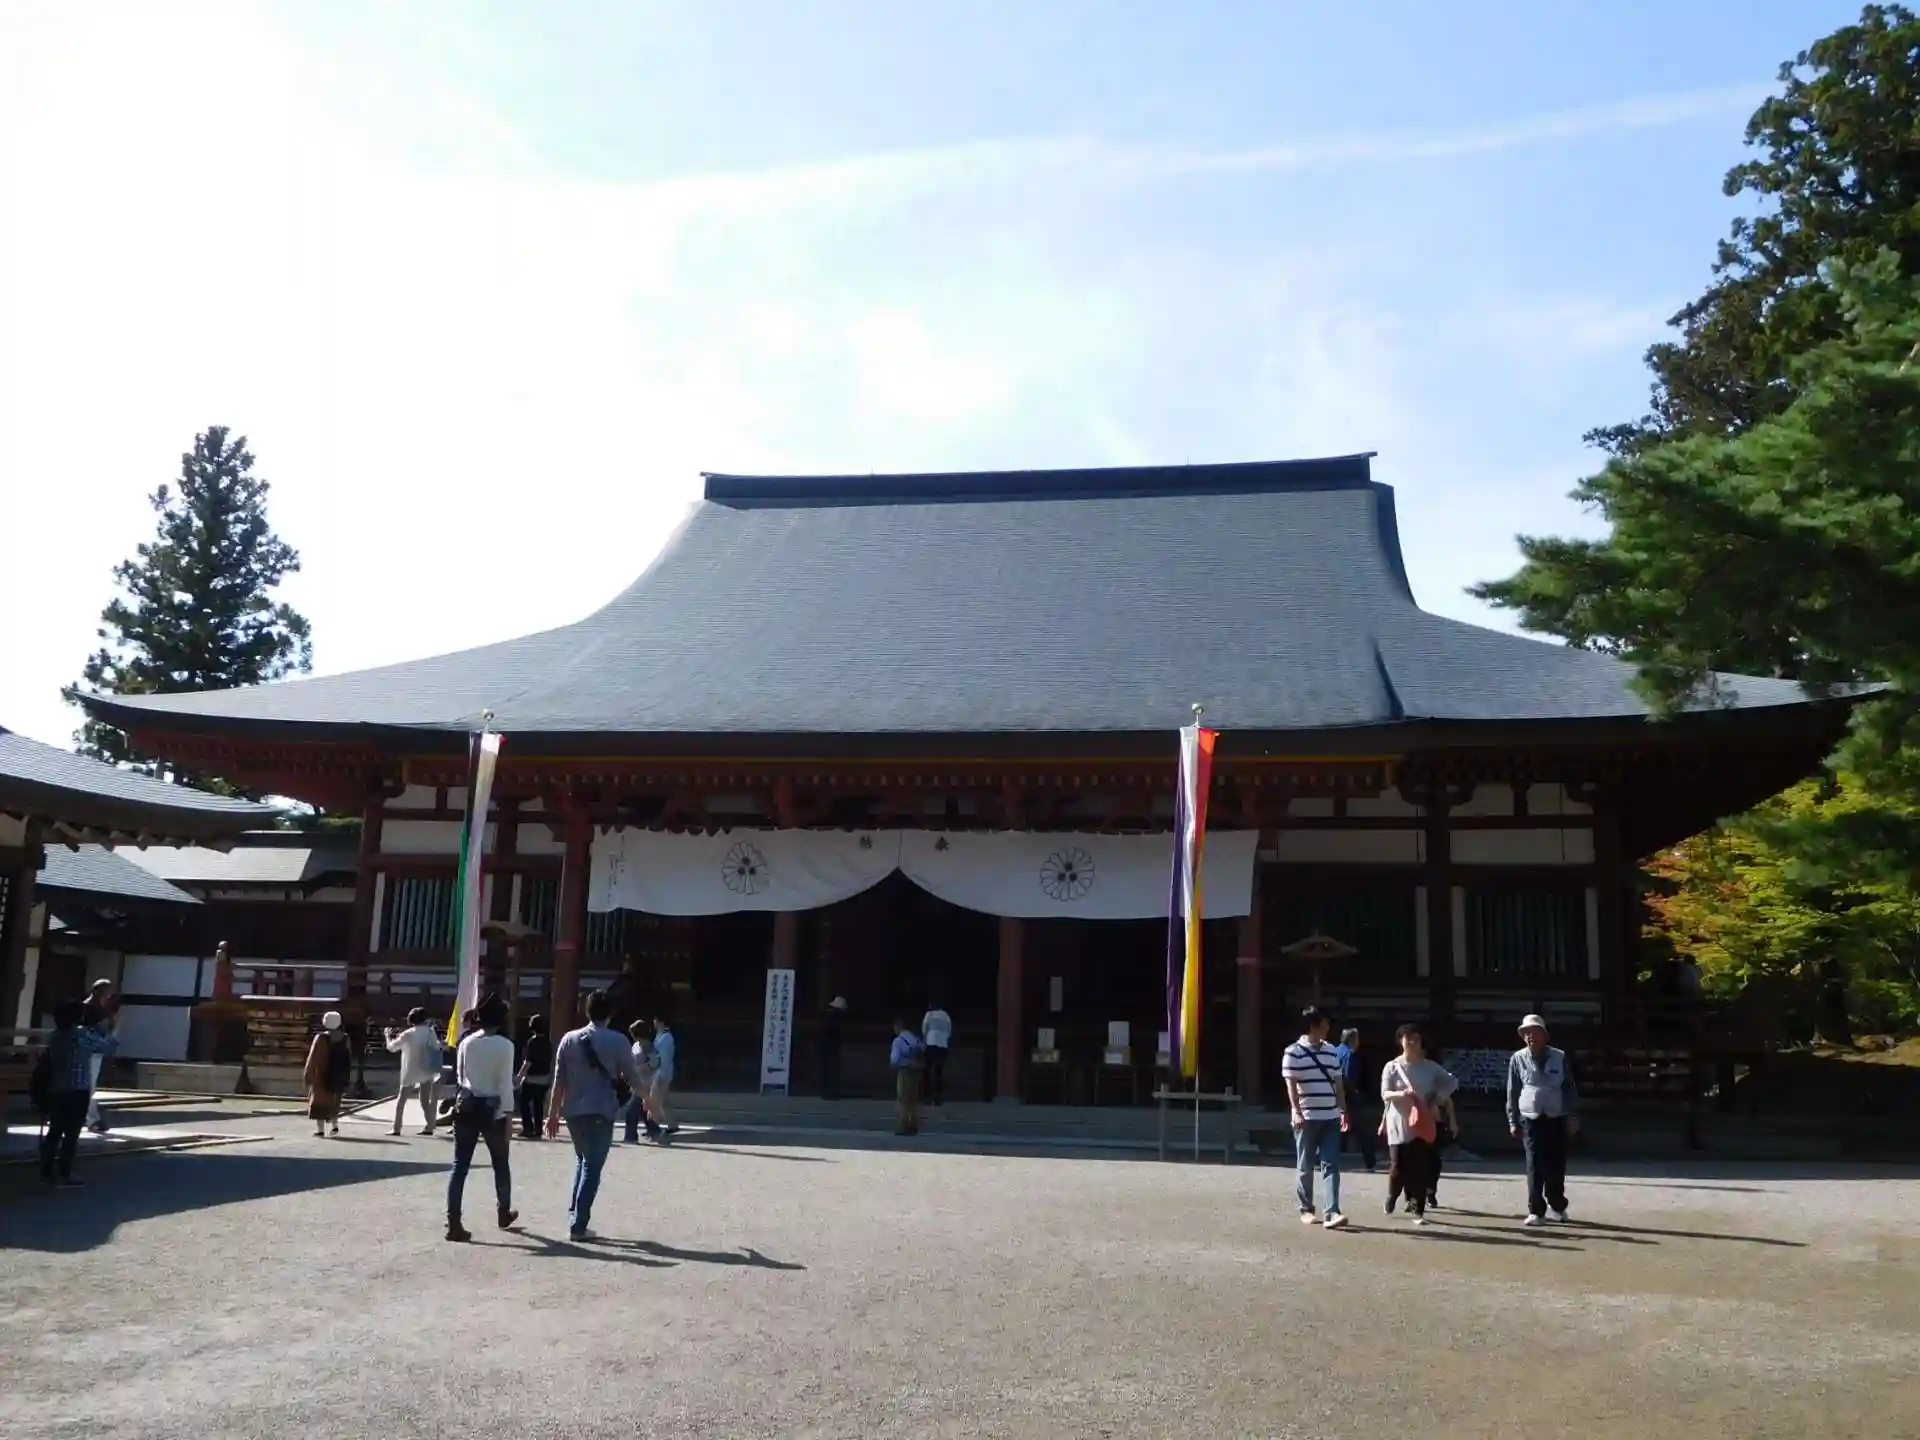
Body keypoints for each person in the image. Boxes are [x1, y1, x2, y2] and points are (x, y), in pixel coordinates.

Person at [546, 989, 654, 1241]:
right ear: (611, 1013)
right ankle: (578, 1224)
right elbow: (632, 1077)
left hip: (573, 1110)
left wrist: (552, 1113)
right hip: (601, 1109)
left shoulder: (569, 1039)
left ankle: (574, 1214)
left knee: (582, 1160)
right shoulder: (619, 1041)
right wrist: (648, 1100)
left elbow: (559, 1080)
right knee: (592, 1167)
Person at [446, 993, 517, 1242]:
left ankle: (453, 1221)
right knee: (500, 1163)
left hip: (466, 1105)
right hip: (492, 1109)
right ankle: (503, 1211)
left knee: (459, 1167)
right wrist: (508, 1114)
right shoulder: (505, 1046)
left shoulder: (466, 1042)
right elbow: (505, 1084)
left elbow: (459, 1076)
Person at [1379, 1023, 1458, 1227]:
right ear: (1401, 1041)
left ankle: (1417, 1209)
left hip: (1422, 1122)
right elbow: (1385, 1094)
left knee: (1420, 1167)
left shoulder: (1429, 1067)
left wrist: (1439, 1096)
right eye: (1408, 1038)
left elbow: (1452, 1082)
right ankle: (1393, 1194)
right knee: (1398, 1166)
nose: (1412, 1042)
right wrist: (1402, 1094)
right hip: (1398, 1123)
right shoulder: (1392, 1067)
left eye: (1416, 1038)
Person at [1507, 1013, 1580, 1227]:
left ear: (1544, 1035)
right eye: (1526, 1033)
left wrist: (1573, 1116)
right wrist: (1512, 1120)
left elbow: (1569, 1088)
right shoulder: (1517, 1058)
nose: (1530, 1036)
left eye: (1534, 1032)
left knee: (1557, 1163)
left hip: (1556, 1116)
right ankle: (1536, 1210)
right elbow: (1513, 1091)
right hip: (1530, 1117)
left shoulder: (1559, 1056)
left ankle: (1557, 1206)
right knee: (1534, 1164)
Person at [1281, 1006, 1349, 1228]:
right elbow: (1291, 1085)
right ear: (1313, 1025)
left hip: (1330, 1115)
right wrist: (1296, 1111)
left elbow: (1338, 1083)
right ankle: (1306, 1209)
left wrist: (1343, 1110)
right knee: (1306, 1164)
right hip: (1307, 1117)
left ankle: (1332, 1212)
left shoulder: (1331, 1051)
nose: (1328, 1027)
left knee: (1331, 1164)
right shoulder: (1293, 1052)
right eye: (1325, 1023)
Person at [40, 998, 119, 1187]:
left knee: (54, 1130)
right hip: (78, 1089)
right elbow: (108, 1047)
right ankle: (65, 1172)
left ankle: (46, 1170)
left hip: (56, 1087)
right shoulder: (82, 1035)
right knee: (71, 1133)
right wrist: (109, 1029)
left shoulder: (54, 1036)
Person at [384, 1007, 444, 1136]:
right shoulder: (430, 1032)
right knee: (424, 1099)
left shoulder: (408, 1034)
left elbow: (392, 1048)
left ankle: (397, 1127)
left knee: (402, 1099)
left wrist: (387, 1036)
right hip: (426, 1068)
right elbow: (437, 1046)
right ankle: (429, 1126)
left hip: (410, 1069)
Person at [304, 1010, 354, 1138]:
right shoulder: (345, 1038)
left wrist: (308, 1074)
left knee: (319, 1102)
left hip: (321, 1076)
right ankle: (335, 1126)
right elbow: (348, 1058)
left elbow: (313, 1058)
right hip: (338, 1075)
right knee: (334, 1102)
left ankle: (320, 1130)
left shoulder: (321, 1038)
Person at [1334, 1026, 1377, 1173]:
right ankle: (1370, 1162)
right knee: (1361, 1130)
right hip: (1348, 1097)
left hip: (1331, 1095)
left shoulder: (1333, 1052)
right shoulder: (1350, 1055)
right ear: (1353, 1040)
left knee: (1334, 1128)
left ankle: (1321, 1158)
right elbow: (1349, 1077)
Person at [81, 978, 118, 1134]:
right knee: (88, 1086)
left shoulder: (89, 1006)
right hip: (91, 1050)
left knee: (87, 1086)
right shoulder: (93, 1009)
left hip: (90, 1050)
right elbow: (102, 1029)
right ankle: (93, 1119)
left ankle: (89, 1118)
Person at [623, 1019, 663, 1144]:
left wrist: (643, 1067)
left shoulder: (648, 1046)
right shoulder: (635, 1045)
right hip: (636, 1081)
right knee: (641, 1109)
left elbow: (655, 1062)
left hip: (646, 1082)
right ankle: (654, 1130)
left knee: (631, 1111)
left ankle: (630, 1136)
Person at [515, 1013, 553, 1140]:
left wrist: (519, 1076)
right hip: (544, 1078)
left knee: (524, 1103)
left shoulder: (533, 1041)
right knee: (538, 1105)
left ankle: (528, 1128)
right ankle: (538, 1129)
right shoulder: (548, 1042)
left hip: (531, 1078)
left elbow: (528, 1062)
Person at [889, 1016, 925, 1136]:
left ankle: (904, 1124)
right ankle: (913, 1123)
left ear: (897, 1027)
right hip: (916, 1070)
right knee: (913, 1099)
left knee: (903, 1098)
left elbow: (894, 1059)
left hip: (904, 1070)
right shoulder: (915, 1039)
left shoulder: (898, 1040)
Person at [648, 1013, 678, 1138]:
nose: (654, 1022)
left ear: (660, 1022)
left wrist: (660, 1074)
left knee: (655, 1101)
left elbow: (665, 1058)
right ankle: (672, 1125)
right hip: (660, 1072)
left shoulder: (666, 1038)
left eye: (655, 1020)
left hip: (661, 1073)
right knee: (664, 1101)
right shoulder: (660, 1036)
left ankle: (654, 1127)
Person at [920, 1001, 953, 1106]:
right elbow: (949, 1031)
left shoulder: (929, 1014)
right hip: (943, 1044)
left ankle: (926, 1095)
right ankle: (937, 1097)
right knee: (939, 1071)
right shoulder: (946, 1016)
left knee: (927, 1070)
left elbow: (924, 1029)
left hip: (931, 1043)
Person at [818, 996, 847, 1100]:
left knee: (825, 1069)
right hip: (831, 1046)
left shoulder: (825, 1013)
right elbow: (833, 1030)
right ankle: (831, 1092)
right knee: (832, 1070)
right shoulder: (834, 1016)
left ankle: (824, 1091)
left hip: (823, 1045)